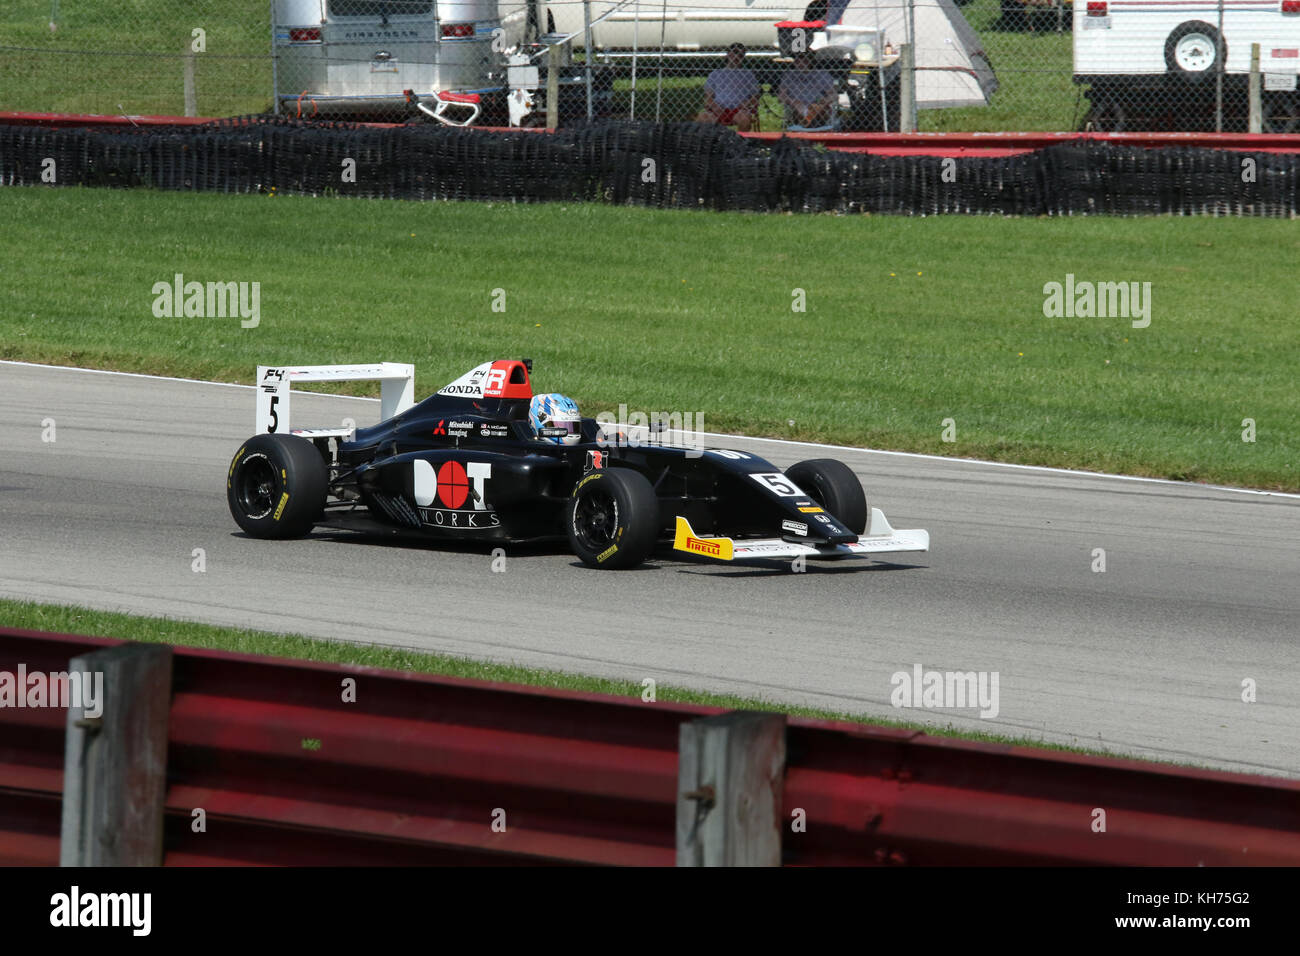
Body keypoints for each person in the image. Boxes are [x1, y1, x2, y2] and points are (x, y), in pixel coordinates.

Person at [697, 43, 761, 131]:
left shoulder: (748, 75)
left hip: (739, 109)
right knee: (702, 117)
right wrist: (715, 107)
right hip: (718, 108)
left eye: (741, 55)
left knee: (744, 119)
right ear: (728, 54)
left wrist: (745, 104)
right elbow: (708, 97)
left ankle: (741, 142)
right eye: (735, 52)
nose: (737, 56)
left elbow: (755, 97)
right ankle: (711, 142)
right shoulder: (715, 74)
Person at [779, 51, 837, 130]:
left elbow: (833, 95)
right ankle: (805, 121)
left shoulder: (822, 74)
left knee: (818, 109)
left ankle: (809, 121)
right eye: (797, 61)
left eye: (805, 61)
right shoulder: (788, 75)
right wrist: (793, 102)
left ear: (810, 61)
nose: (801, 64)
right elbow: (781, 96)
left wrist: (822, 103)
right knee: (797, 109)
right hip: (795, 107)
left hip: (817, 105)